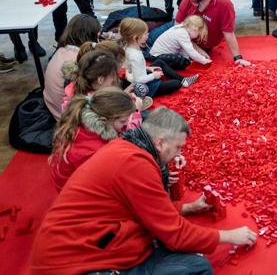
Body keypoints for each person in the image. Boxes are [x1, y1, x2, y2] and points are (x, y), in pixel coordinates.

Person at [30, 107, 258, 274]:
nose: (179, 155)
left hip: (84, 245)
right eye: (177, 147)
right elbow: (175, 233)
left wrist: (188, 207)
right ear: (159, 143)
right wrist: (228, 236)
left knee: (189, 262)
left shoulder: (127, 148)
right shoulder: (136, 165)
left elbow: (147, 207)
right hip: (80, 263)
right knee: (196, 268)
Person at [49, 87, 135, 192]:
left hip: (73, 180)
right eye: (123, 121)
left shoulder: (85, 118)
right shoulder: (94, 150)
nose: (126, 123)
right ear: (104, 120)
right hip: (75, 193)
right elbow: (104, 180)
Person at [175, 0, 251, 66]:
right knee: (152, 41)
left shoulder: (224, 5)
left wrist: (238, 58)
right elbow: (176, 31)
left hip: (196, 43)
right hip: (181, 38)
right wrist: (195, 49)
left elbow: (228, 33)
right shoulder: (187, 1)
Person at [43, 15, 102, 121]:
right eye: (98, 36)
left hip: (53, 107)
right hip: (68, 117)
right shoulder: (80, 59)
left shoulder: (62, 50)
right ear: (91, 36)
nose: (99, 40)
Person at [121, 18, 198, 98]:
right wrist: (154, 75)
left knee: (159, 62)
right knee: (176, 84)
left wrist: (148, 68)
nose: (148, 35)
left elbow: (134, 68)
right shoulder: (136, 55)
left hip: (136, 78)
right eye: (145, 33)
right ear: (136, 38)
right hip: (142, 87)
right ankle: (180, 81)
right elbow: (138, 80)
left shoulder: (129, 47)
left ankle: (183, 80)